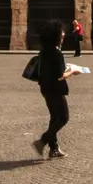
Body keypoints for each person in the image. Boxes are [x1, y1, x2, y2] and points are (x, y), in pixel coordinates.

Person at [32, 19, 71, 159]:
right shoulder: (57, 53)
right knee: (63, 118)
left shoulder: (44, 51)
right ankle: (42, 141)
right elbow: (60, 76)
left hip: (45, 88)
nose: (64, 34)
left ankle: (54, 149)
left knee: (54, 117)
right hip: (56, 89)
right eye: (62, 32)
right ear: (56, 35)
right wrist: (73, 72)